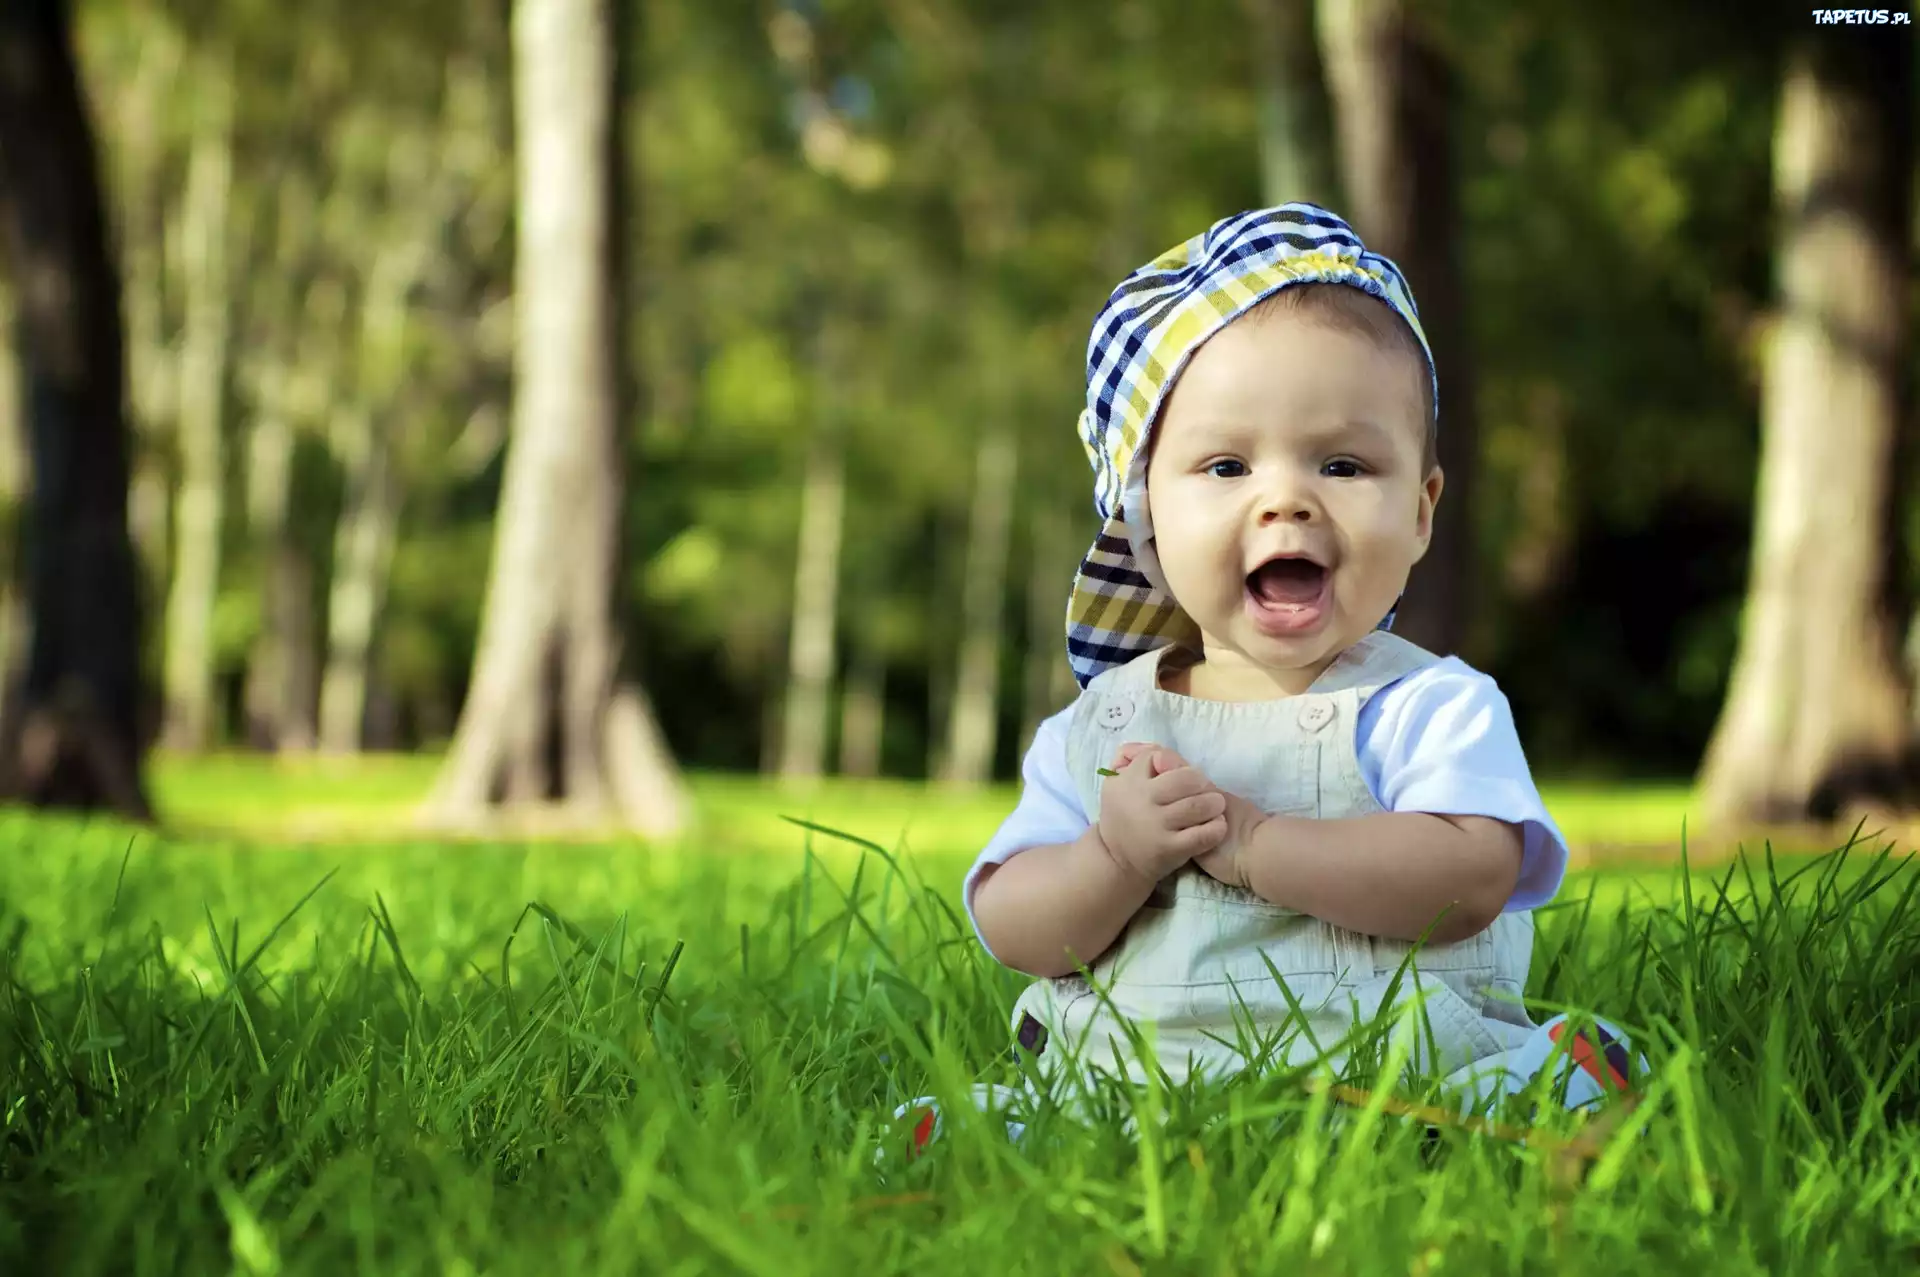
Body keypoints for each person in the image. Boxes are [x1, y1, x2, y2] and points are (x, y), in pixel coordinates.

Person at [891, 204, 1642, 1159]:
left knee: (1521, 1097)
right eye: (1226, 464)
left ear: (1420, 510)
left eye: (1343, 463)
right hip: (1141, 1086)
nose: (1285, 497)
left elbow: (1471, 878)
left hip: (1390, 1083)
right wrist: (1114, 861)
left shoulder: (1427, 707)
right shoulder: (1099, 728)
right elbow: (1015, 925)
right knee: (1016, 1126)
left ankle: (1503, 1105)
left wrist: (1258, 845)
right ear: (1145, 517)